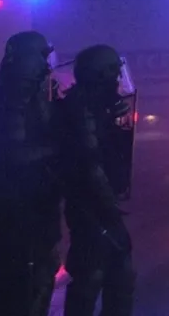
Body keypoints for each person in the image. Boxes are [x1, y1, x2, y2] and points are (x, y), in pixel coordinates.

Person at [0, 31, 62, 316]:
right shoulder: (13, 103)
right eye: (41, 56)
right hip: (19, 206)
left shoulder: (23, 101)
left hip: (28, 204)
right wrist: (56, 150)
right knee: (23, 283)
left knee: (28, 279)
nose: (46, 65)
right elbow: (14, 156)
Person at [59, 44, 135, 316]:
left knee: (119, 271)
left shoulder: (94, 106)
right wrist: (107, 204)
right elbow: (90, 162)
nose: (117, 79)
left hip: (97, 203)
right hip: (88, 206)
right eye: (112, 73)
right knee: (91, 272)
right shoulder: (81, 108)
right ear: (98, 75)